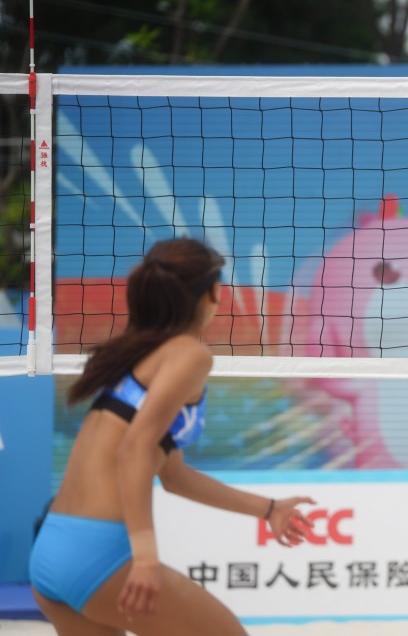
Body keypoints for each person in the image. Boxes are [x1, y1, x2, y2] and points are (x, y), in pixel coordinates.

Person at [29, 237, 314, 636]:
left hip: (52, 551)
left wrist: (268, 509)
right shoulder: (188, 354)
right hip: (99, 556)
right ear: (212, 292)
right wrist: (145, 559)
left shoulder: (136, 353)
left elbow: (174, 476)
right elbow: (136, 449)